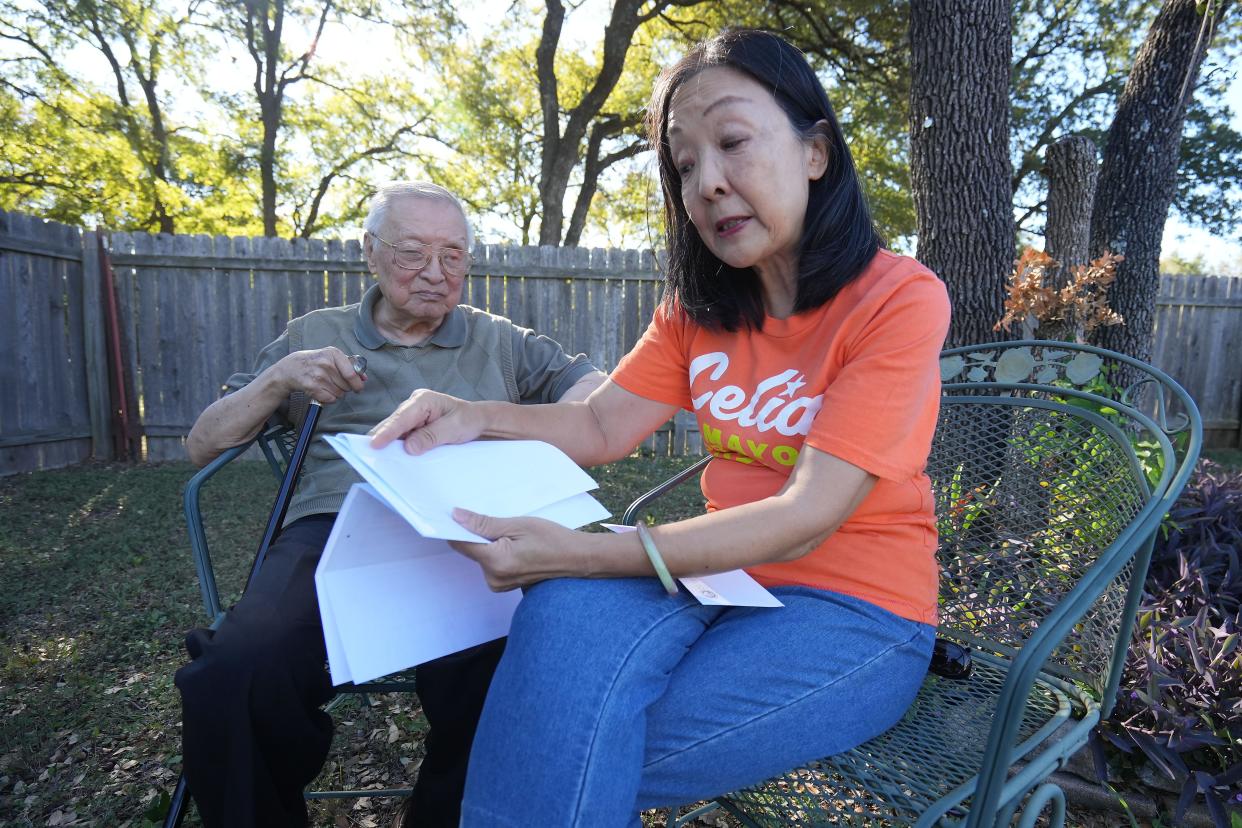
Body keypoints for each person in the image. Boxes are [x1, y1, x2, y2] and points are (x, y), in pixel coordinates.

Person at [369, 30, 952, 827]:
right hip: (719, 580)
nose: (707, 183)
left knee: (555, 741)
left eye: (734, 142)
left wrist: (583, 552)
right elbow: (601, 423)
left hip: (857, 609)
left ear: (816, 151)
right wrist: (476, 416)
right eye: (683, 164)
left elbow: (803, 517)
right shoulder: (699, 309)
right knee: (560, 616)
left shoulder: (897, 299)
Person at [174, 181, 605, 828]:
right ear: (370, 253)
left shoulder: (498, 340)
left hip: (469, 532)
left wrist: (501, 424)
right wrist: (277, 380)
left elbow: (599, 396)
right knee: (235, 675)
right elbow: (203, 444)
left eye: (453, 256)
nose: (435, 274)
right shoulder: (315, 335)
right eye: (412, 253)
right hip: (338, 531)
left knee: (516, 679)